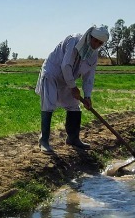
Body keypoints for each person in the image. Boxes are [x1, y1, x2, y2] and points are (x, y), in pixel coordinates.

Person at [35, 25, 109, 153]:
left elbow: (89, 77)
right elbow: (66, 66)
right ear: (89, 36)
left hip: (68, 79)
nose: (96, 44)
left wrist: (87, 96)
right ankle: (44, 141)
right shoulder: (73, 41)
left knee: (74, 106)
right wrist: (73, 87)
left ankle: (73, 138)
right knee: (49, 104)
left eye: (100, 43)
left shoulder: (93, 55)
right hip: (53, 73)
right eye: (95, 40)